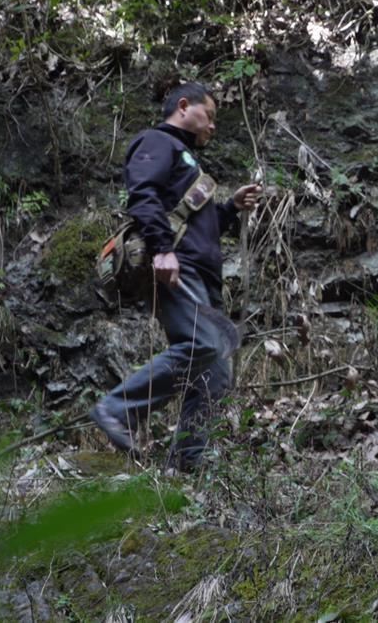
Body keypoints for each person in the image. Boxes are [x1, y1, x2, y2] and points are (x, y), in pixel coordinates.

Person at [89, 82, 262, 470]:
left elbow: (200, 226)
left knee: (215, 375)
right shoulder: (157, 142)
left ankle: (187, 467)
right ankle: (118, 409)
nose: (212, 126)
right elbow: (143, 194)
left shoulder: (190, 164)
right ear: (184, 106)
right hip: (177, 267)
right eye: (209, 115)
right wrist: (163, 250)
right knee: (202, 343)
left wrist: (230, 208)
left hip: (200, 274)